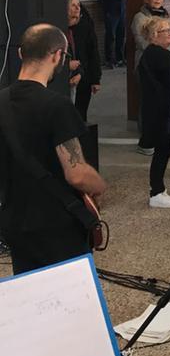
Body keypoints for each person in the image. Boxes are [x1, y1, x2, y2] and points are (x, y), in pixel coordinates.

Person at [0, 24, 108, 274]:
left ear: (20, 54)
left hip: (16, 220)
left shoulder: (2, 102)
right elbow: (76, 173)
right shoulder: (57, 106)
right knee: (69, 295)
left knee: (32, 292)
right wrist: (100, 186)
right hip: (57, 223)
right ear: (57, 55)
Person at [140, 17, 170, 208]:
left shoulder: (160, 54)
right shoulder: (159, 56)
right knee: (163, 150)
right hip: (162, 111)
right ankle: (157, 191)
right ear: (154, 36)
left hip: (166, 110)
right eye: (165, 31)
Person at [66, 0, 101, 122]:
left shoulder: (85, 27)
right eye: (73, 6)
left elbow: (93, 53)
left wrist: (96, 79)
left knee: (81, 115)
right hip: (65, 78)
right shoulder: (59, 29)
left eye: (78, 5)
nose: (77, 8)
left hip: (84, 76)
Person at [96, 0, 126, 68]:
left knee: (121, 36)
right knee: (110, 37)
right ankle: (109, 60)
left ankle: (120, 58)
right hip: (110, 12)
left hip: (121, 12)